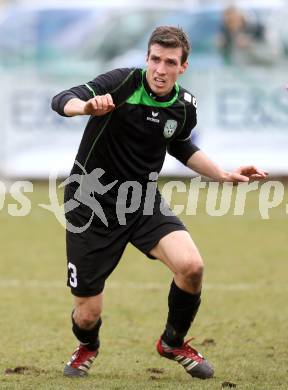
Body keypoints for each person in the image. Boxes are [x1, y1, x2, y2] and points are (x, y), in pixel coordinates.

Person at [51, 26, 267, 380]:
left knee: (192, 267)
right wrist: (85, 107)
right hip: (90, 204)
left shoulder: (184, 106)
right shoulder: (122, 83)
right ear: (147, 59)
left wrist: (223, 175)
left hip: (141, 200)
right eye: (154, 59)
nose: (160, 69)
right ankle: (87, 346)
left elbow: (180, 145)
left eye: (170, 62)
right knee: (87, 315)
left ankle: (172, 342)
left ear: (183, 67)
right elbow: (62, 98)